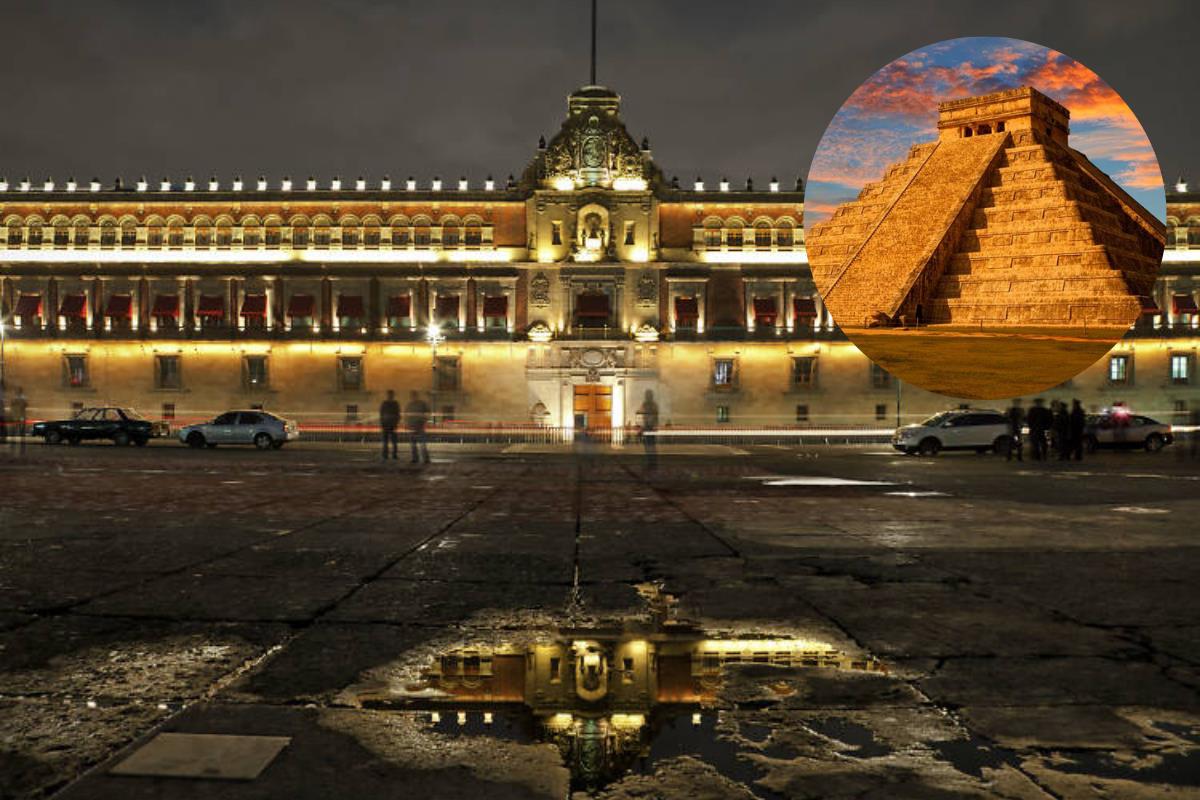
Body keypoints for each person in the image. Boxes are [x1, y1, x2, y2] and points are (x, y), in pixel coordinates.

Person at [404, 390, 431, 464]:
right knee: (415, 445)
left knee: (420, 444)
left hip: (419, 426)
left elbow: (428, 413)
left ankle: (423, 459)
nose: (413, 397)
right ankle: (417, 459)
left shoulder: (420, 404)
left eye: (413, 395)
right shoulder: (411, 404)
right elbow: (406, 415)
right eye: (412, 395)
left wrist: (425, 420)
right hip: (413, 427)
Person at [638, 389, 660, 471]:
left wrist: (651, 425)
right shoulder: (647, 404)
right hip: (647, 427)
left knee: (650, 447)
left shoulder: (652, 405)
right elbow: (643, 415)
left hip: (649, 427)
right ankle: (651, 463)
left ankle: (652, 464)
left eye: (648, 395)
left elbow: (654, 416)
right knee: (648, 447)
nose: (647, 396)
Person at [379, 389, 400, 461]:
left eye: (390, 395)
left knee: (389, 442)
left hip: (389, 425)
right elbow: (397, 414)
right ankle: (390, 455)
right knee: (390, 442)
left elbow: (381, 414)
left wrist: (382, 423)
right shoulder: (394, 404)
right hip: (388, 425)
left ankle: (388, 455)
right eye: (390, 394)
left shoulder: (386, 403)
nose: (390, 396)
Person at [9, 387, 28, 454]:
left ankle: (13, 447)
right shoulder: (23, 398)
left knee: (15, 432)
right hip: (20, 417)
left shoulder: (15, 398)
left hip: (17, 417)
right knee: (20, 433)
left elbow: (12, 405)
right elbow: (25, 405)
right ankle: (21, 448)